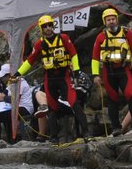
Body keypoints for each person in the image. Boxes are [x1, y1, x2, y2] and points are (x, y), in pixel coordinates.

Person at [17, 14, 84, 142]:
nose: (48, 28)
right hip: (50, 77)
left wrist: (76, 70)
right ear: (42, 29)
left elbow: (73, 54)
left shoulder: (63, 38)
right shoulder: (39, 44)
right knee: (51, 107)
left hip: (64, 75)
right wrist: (18, 74)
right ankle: (53, 138)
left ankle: (86, 133)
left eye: (49, 26)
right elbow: (29, 61)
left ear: (53, 27)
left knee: (75, 103)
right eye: (45, 26)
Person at [92, 6, 132, 134]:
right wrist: (95, 75)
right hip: (108, 71)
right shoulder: (100, 37)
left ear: (117, 20)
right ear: (105, 22)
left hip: (123, 69)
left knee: (131, 95)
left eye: (113, 19)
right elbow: (94, 57)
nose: (111, 21)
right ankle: (116, 128)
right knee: (112, 99)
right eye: (108, 20)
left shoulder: (127, 33)